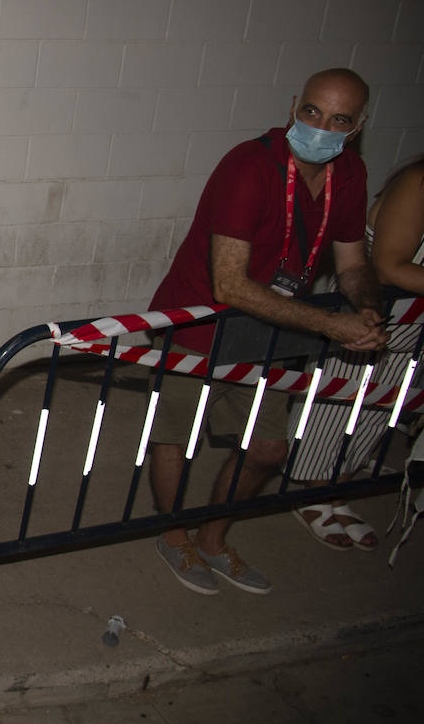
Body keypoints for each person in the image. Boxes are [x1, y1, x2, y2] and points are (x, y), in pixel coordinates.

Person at [146, 68, 388, 596]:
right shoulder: (249, 167)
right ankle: (172, 533)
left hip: (272, 325)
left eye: (339, 119)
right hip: (201, 319)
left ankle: (212, 538)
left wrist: (368, 307)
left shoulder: (351, 175)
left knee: (269, 450)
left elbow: (351, 261)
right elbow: (229, 284)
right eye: (312, 113)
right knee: (175, 436)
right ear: (293, 106)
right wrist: (331, 324)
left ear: (359, 125)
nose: (321, 127)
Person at [288, 157, 424, 551]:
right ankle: (310, 493)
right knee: (333, 407)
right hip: (367, 309)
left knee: (378, 412)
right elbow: (388, 268)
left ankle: (337, 491)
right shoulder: (417, 184)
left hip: (414, 327)